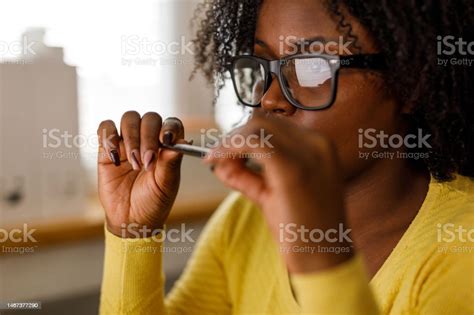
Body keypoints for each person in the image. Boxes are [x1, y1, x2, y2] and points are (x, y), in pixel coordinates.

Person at [98, 0, 474, 314]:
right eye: (263, 65)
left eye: (312, 67)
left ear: (410, 82)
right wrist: (132, 234)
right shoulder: (245, 218)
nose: (270, 99)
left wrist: (320, 256)